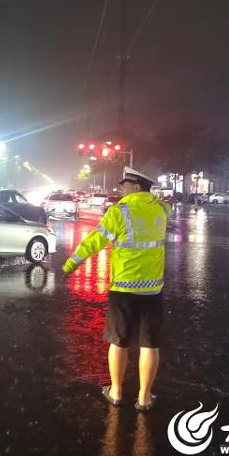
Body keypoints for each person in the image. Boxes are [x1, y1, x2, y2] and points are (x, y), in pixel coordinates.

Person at [62, 167, 170, 411]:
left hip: (124, 287)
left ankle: (117, 392)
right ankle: (144, 397)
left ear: (135, 186)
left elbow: (95, 241)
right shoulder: (162, 210)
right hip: (153, 289)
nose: (121, 188)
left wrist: (71, 263)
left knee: (119, 341)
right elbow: (164, 208)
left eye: (124, 185)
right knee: (150, 344)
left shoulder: (119, 211)